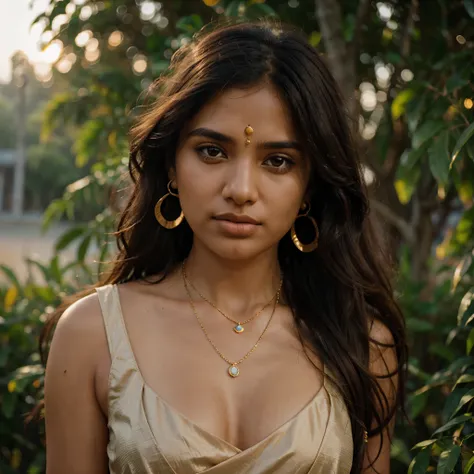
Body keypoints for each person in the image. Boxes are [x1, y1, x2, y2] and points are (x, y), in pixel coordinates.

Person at [43, 20, 407, 474]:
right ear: (172, 165)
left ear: (309, 186)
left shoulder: (363, 344)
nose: (240, 189)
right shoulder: (92, 335)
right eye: (212, 151)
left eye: (277, 161)